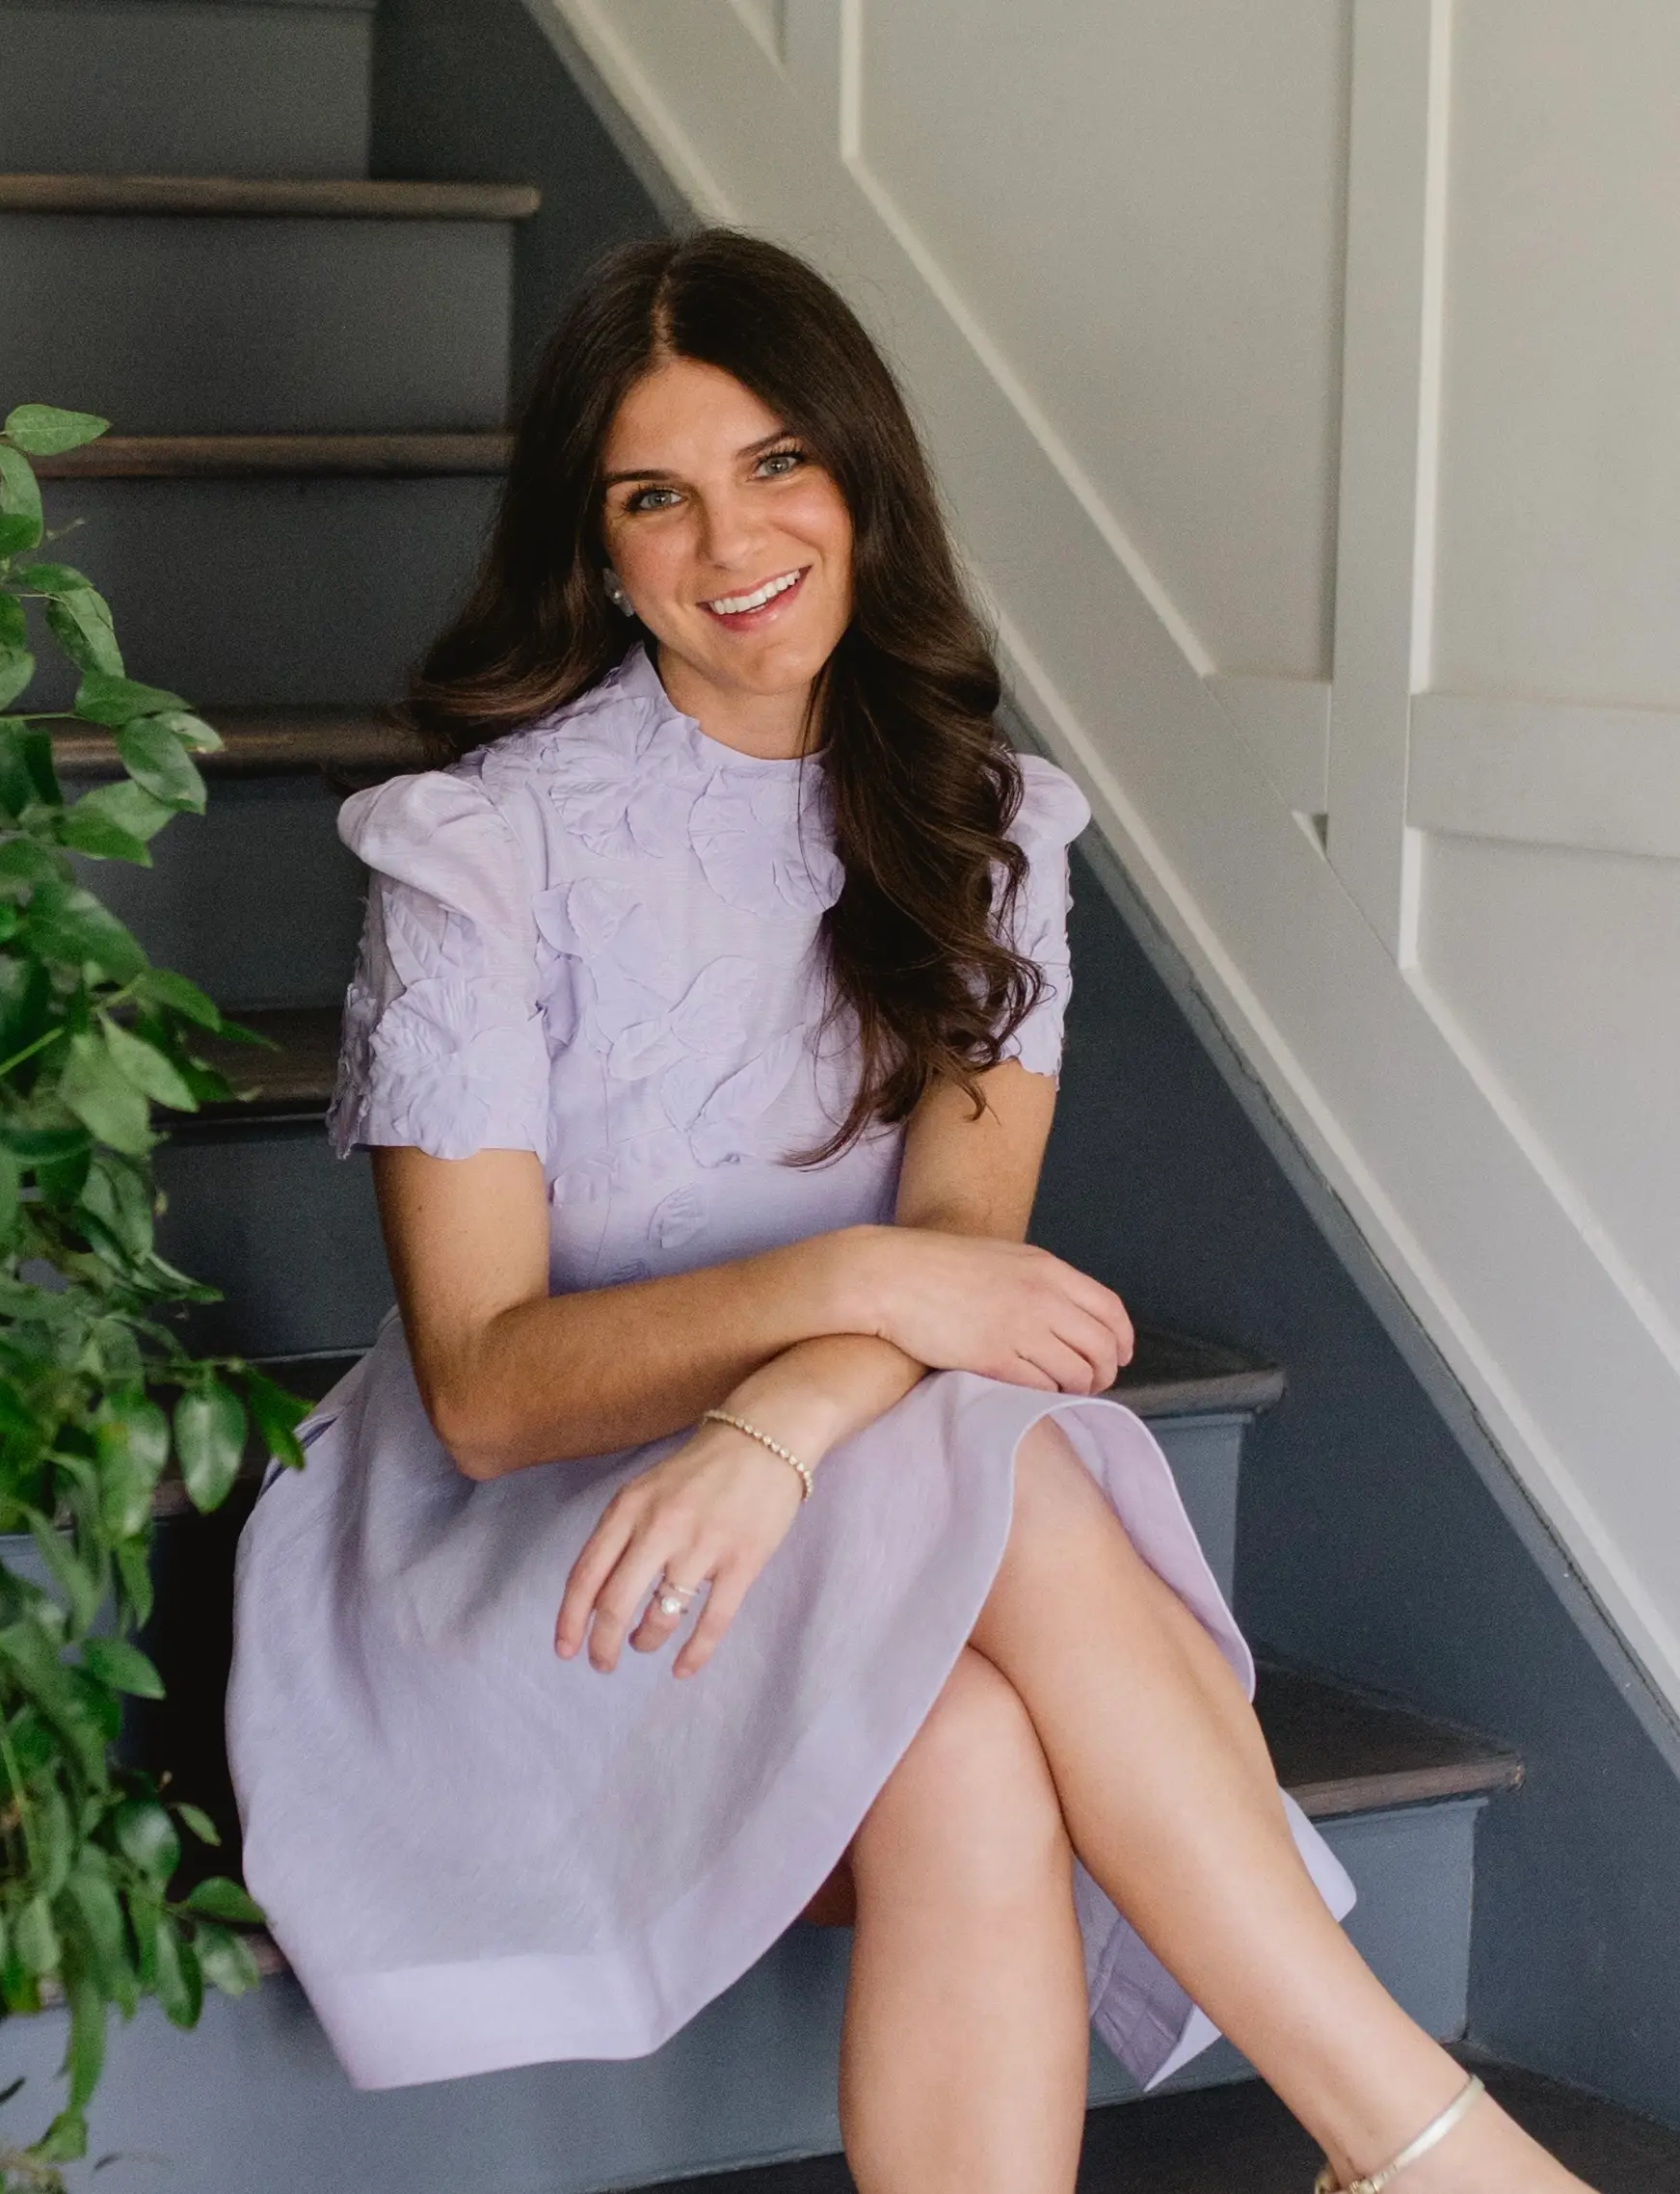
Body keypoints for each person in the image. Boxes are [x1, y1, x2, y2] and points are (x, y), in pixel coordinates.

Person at [227, 231, 1593, 2194]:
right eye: (653, 497)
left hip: (818, 1487)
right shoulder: (479, 854)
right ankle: (1408, 2145)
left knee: (962, 1723)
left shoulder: (980, 826)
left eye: (779, 465)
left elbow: (964, 1301)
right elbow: (488, 1394)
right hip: (524, 1562)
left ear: (863, 483)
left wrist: (779, 1422)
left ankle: (1404, 2151)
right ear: (593, 547)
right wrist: (858, 1278)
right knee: (1005, 1454)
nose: (728, 543)